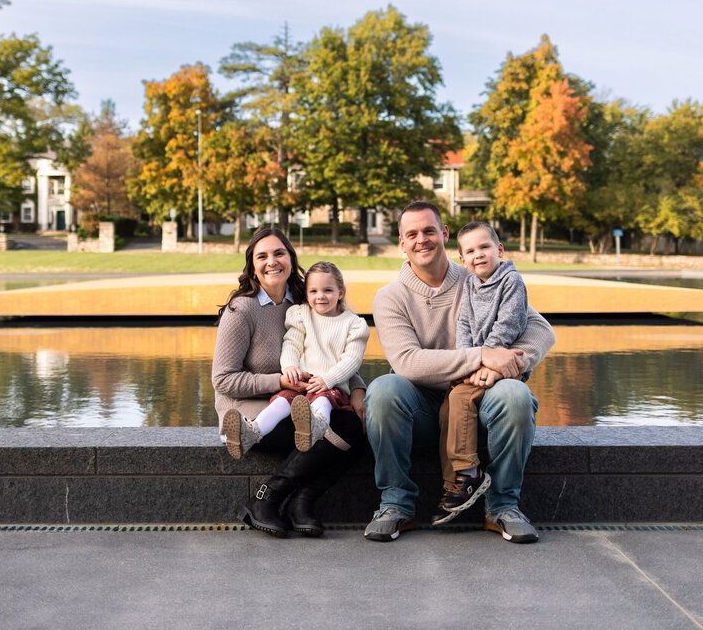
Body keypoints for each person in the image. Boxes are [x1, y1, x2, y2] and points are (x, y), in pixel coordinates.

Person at [365, 202, 555, 544]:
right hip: (421, 405)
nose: (422, 240)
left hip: (477, 401)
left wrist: (508, 365)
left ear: (444, 234)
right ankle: (396, 505)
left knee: (516, 395)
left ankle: (502, 507)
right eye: (412, 234)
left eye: (429, 231)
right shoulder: (390, 297)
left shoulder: (479, 275)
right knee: (382, 390)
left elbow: (542, 330)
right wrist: (483, 356)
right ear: (402, 244)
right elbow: (408, 362)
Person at [211, 228, 367, 538]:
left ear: (291, 259)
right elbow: (223, 379)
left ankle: (302, 503)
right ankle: (268, 498)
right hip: (255, 412)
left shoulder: (305, 299)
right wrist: (281, 381)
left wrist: (359, 392)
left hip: (304, 398)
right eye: (262, 256)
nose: (272, 262)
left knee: (358, 424)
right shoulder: (241, 310)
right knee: (338, 429)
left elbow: (333, 351)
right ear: (252, 265)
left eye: (279, 253)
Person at [433, 220, 529, 525]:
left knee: (460, 400)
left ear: (499, 249)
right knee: (448, 408)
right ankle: (454, 487)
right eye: (470, 251)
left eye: (485, 247)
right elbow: (463, 324)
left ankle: (470, 473)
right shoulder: (470, 284)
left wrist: (486, 363)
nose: (479, 255)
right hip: (475, 366)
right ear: (462, 259)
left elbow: (508, 325)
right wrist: (467, 360)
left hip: (499, 369)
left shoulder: (511, 281)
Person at [225, 261, 370, 455]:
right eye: (313, 291)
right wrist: (290, 367)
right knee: (281, 402)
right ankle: (252, 432)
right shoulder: (301, 314)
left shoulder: (354, 324)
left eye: (327, 290)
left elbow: (352, 360)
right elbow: (291, 344)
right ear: (307, 294)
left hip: (330, 386)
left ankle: (317, 426)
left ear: (340, 293)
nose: (320, 296)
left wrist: (328, 379)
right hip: (300, 382)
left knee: (322, 401)